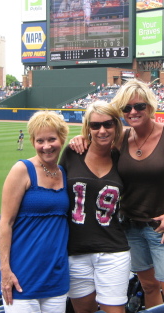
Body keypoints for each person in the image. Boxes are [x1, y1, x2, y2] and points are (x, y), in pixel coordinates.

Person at [69, 79, 164, 309]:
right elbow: (97, 143)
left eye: (139, 106)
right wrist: (80, 137)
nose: (133, 112)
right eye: (126, 108)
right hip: (130, 225)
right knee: (148, 286)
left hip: (162, 226)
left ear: (150, 106)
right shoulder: (121, 138)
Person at [58, 101, 130, 313]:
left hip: (113, 250)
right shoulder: (72, 153)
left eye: (108, 124)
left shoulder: (122, 159)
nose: (102, 130)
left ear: (116, 125)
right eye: (95, 125)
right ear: (87, 128)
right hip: (75, 251)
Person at [0, 111, 70, 311]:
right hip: (22, 276)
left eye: (52, 139)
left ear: (62, 138)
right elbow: (5, 223)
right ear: (33, 141)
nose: (46, 146)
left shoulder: (64, 172)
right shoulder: (22, 170)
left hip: (56, 277)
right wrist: (5, 271)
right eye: (40, 140)